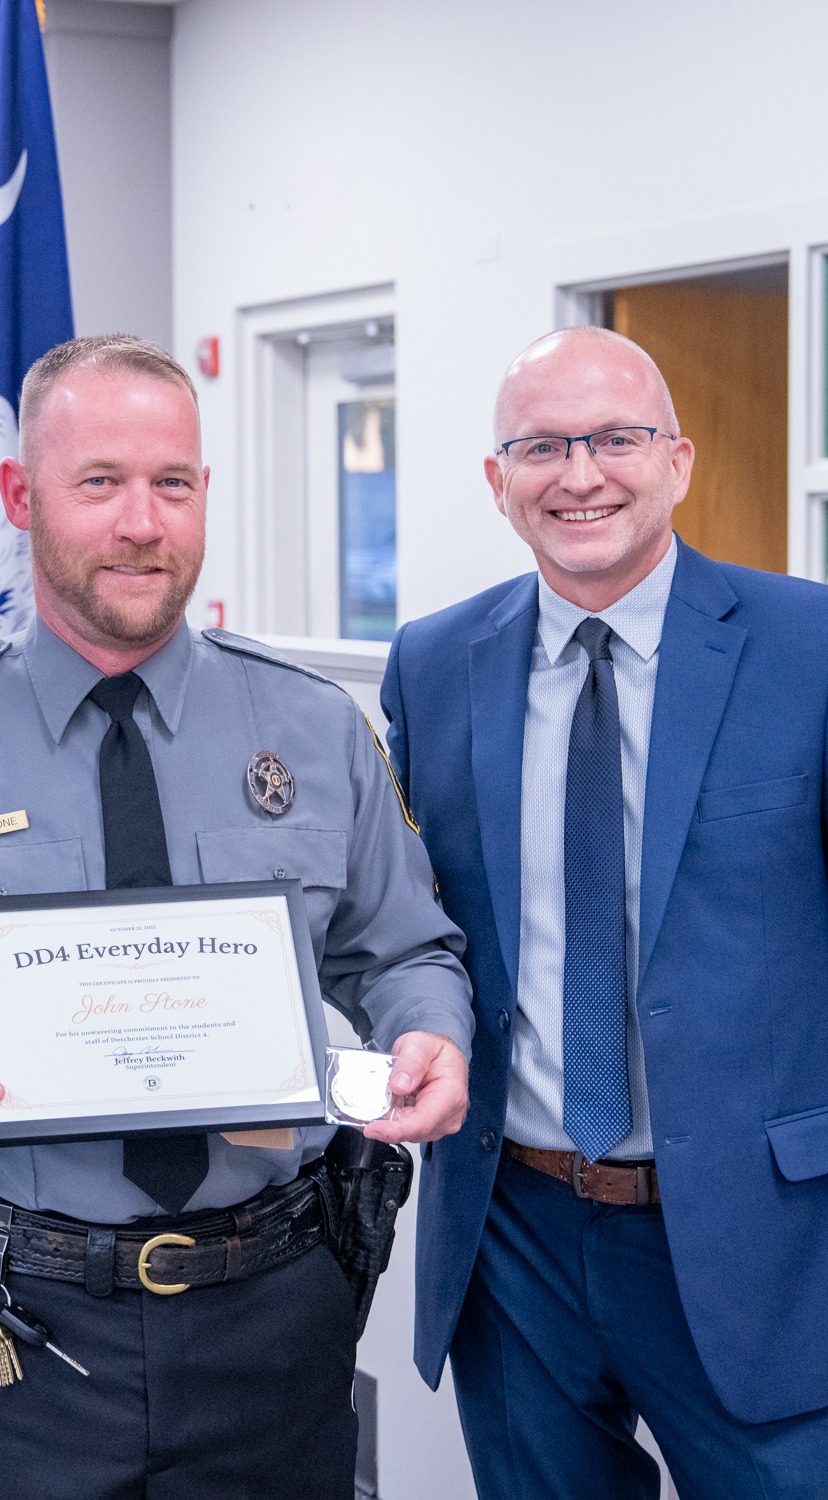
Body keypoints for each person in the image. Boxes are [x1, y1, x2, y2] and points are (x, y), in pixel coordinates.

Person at [0, 333, 474, 1499]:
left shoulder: (314, 729)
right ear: (21, 498)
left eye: (172, 482)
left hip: (276, 1318)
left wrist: (432, 1030)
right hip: (14, 1327)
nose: (144, 521)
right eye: (101, 483)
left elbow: (407, 948)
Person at [382, 326, 828, 1499]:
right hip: (515, 1230)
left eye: (616, 439)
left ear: (677, 459)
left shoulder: (808, 647)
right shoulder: (432, 665)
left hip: (757, 1245)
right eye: (541, 447)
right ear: (498, 481)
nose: (579, 475)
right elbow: (402, 922)